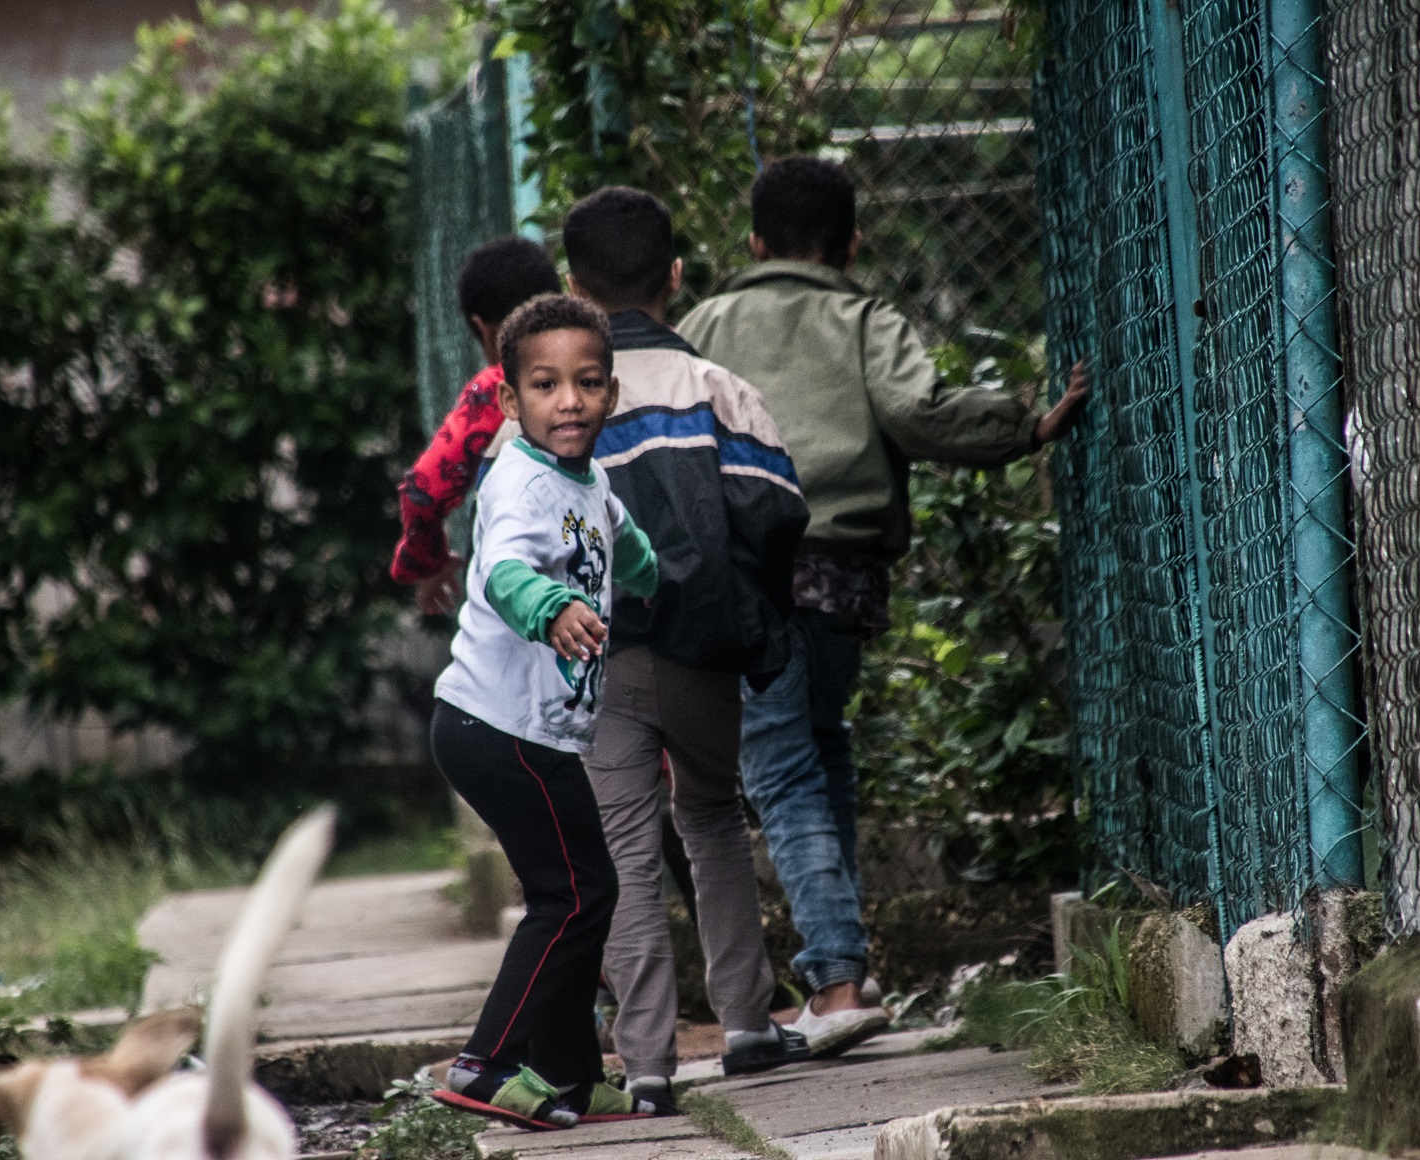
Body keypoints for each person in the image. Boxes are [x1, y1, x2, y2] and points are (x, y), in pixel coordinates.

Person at [678, 156, 1091, 1057]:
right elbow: (918, 410)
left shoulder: (703, 323)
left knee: (782, 770)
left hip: (746, 571)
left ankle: (832, 985)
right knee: (820, 754)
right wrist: (1022, 423)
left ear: (751, 243)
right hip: (841, 576)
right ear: (851, 241)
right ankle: (849, 973)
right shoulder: (862, 317)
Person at [560, 187, 813, 1114]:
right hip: (704, 652)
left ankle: (650, 1065)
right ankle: (748, 1022)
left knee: (624, 845)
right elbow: (778, 509)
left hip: (602, 660)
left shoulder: (560, 413)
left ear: (573, 289)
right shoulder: (718, 391)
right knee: (709, 817)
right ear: (676, 276)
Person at [428, 294, 661, 1129]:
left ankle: (566, 1077)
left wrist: (649, 573)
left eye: (588, 383)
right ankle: (484, 1065)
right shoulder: (519, 484)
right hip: (497, 727)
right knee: (575, 895)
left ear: (611, 392)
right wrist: (551, 609)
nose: (570, 401)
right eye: (546, 384)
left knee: (575, 892)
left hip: (530, 733)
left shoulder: (585, 477)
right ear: (510, 400)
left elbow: (621, 537)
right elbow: (505, 571)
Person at [391, 236, 563, 612]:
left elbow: (423, 490)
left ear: (483, 328)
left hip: (526, 595)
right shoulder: (597, 371)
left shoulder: (497, 390)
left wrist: (428, 560)